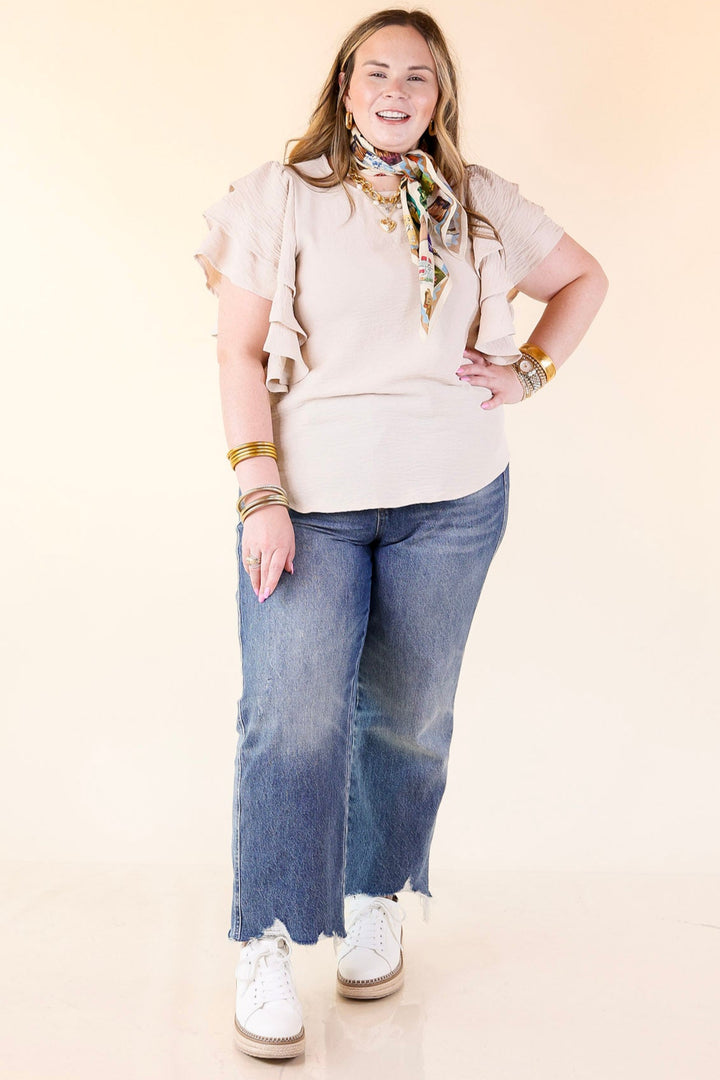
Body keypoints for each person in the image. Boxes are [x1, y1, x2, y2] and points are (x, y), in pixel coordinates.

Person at [194, 7, 608, 1061]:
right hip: (311, 505)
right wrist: (259, 493)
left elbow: (583, 278)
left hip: (455, 503)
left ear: (439, 96)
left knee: (411, 718)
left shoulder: (478, 201)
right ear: (345, 89)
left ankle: (373, 897)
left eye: (416, 76)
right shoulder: (280, 196)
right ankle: (268, 939)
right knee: (292, 720)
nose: (394, 90)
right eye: (375, 72)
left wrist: (528, 372)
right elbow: (238, 354)